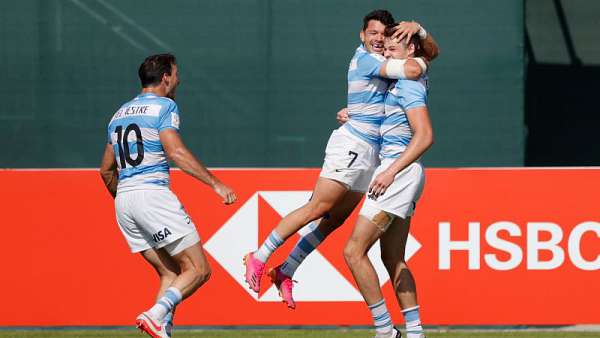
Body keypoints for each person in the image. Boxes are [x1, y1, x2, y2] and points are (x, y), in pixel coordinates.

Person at [244, 9, 438, 310]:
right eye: (373, 34)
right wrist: (424, 61)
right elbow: (415, 69)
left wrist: (421, 34)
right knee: (319, 207)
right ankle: (258, 257)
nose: (379, 40)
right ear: (362, 36)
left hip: (374, 155)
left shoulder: (390, 66)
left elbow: (400, 82)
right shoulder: (370, 60)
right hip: (354, 146)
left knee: (334, 220)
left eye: (384, 36)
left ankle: (286, 270)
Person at [99, 53, 237, 338]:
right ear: (165, 78)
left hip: (125, 200)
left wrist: (129, 201)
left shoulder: (119, 114)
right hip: (152, 195)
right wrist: (215, 183)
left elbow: (105, 170)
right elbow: (175, 151)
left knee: (171, 274)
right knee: (199, 270)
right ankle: (154, 315)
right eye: (176, 74)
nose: (178, 79)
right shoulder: (165, 106)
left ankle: (161, 328)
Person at [344, 26, 433, 338]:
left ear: (410, 51)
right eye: (386, 50)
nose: (386, 54)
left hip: (398, 175)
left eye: (393, 50)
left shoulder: (409, 84)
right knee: (392, 257)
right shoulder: (397, 82)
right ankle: (415, 332)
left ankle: (385, 330)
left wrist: (390, 172)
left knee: (354, 251)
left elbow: (425, 136)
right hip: (400, 173)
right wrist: (351, 114)